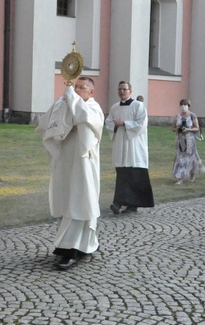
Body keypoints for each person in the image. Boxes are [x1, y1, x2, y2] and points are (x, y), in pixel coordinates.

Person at [36, 77, 103, 270]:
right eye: (75, 87)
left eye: (81, 88)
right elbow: (50, 120)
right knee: (65, 200)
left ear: (91, 92)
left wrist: (70, 98)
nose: (76, 90)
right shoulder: (68, 103)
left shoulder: (93, 108)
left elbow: (83, 117)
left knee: (80, 200)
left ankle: (73, 250)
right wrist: (61, 103)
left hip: (83, 163)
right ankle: (72, 246)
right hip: (66, 161)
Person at [105, 81, 154, 214]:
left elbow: (142, 124)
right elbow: (108, 122)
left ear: (130, 91)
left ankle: (132, 204)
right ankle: (118, 203)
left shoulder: (138, 106)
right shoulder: (115, 107)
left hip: (134, 146)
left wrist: (124, 123)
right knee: (122, 174)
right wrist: (114, 125)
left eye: (124, 89)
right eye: (120, 89)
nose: (122, 91)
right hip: (120, 145)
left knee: (134, 175)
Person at [171, 99, 205, 185]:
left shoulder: (192, 115)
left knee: (191, 157)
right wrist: (178, 129)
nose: (183, 107)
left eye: (185, 105)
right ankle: (180, 177)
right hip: (180, 140)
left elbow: (197, 127)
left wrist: (188, 129)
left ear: (188, 106)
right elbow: (173, 128)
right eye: (182, 105)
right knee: (180, 158)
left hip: (190, 140)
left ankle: (192, 173)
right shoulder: (177, 116)